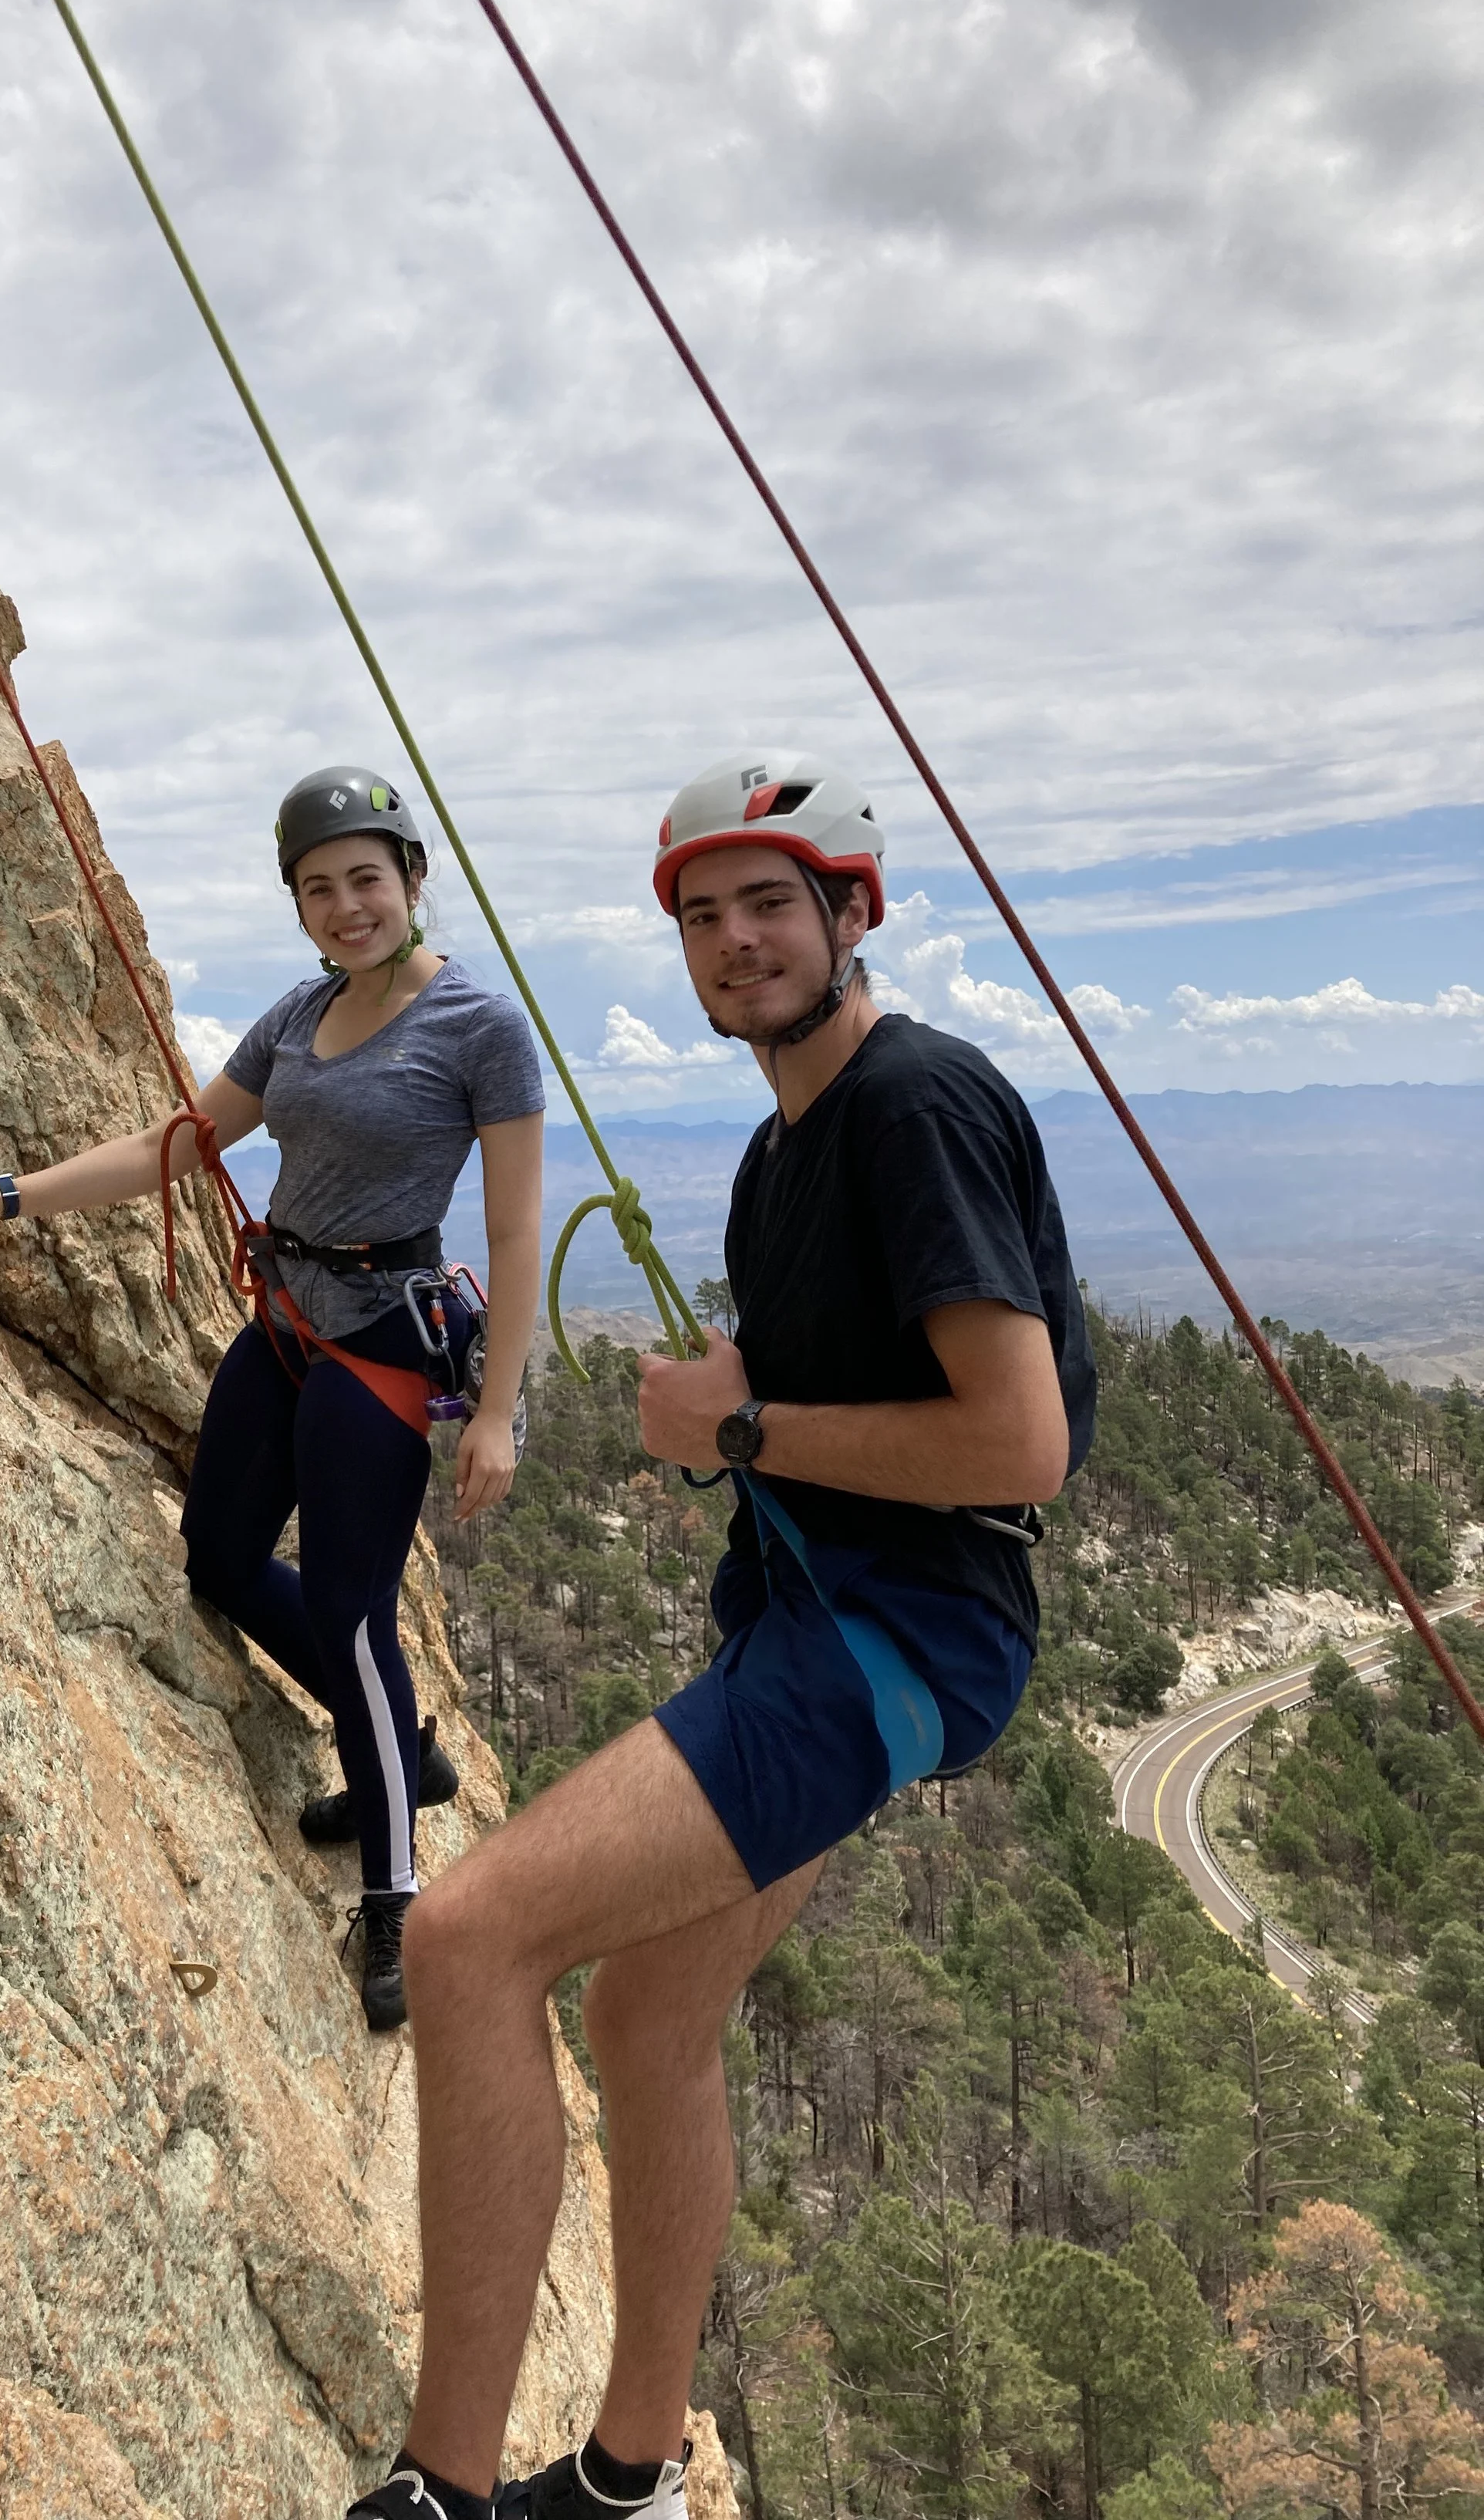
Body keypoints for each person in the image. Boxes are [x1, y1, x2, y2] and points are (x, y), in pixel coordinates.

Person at [348, 754, 1095, 2519]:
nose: (732, 938)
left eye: (770, 903)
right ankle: (634, 2479)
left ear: (852, 913)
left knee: (462, 1944)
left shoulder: (909, 1101)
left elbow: (1018, 1440)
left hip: (886, 1635)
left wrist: (737, 1430)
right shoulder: (783, 1154)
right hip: (839, 1621)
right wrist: (746, 1399)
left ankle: (438, 2491)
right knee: (645, 2021)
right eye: (700, 913)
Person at [0, 767, 545, 2032]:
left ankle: (394, 1889)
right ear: (298, 906)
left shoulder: (478, 1030)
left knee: (350, 1617)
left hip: (383, 1347)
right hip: (282, 1324)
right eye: (318, 888)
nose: (347, 907)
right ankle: (397, 1742)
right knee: (219, 1558)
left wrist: (498, 1411)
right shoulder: (296, 1015)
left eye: (365, 879)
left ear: (410, 877)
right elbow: (178, 1145)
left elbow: (511, 1227)